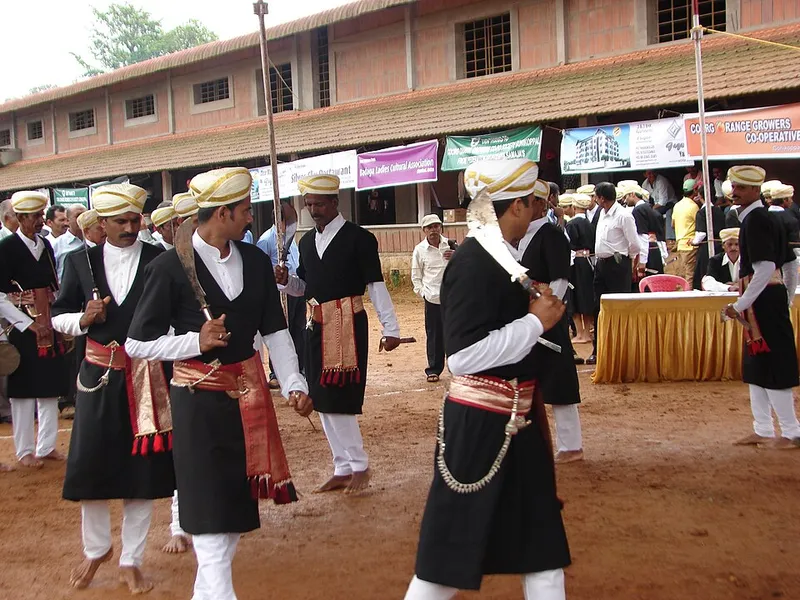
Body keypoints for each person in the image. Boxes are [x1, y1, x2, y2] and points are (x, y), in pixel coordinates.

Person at [126, 167, 311, 600]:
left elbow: (275, 330)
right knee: (208, 512)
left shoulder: (256, 261)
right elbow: (137, 343)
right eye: (246, 211)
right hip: (197, 404)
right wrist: (195, 341)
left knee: (229, 513)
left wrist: (294, 382)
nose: (252, 218)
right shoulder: (169, 268)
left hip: (247, 401)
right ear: (222, 213)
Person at [404, 158, 570, 600]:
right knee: (443, 561)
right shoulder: (476, 263)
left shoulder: (501, 258)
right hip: (480, 425)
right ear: (514, 206)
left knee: (543, 552)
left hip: (518, 421)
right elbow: (462, 357)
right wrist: (535, 323)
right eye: (533, 202)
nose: (539, 208)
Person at [51, 183, 175, 594]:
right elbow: (57, 317)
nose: (129, 227)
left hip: (147, 378)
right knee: (91, 467)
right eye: (119, 221)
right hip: (96, 379)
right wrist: (82, 320)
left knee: (141, 471)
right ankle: (97, 548)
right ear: (101, 223)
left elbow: (178, 315)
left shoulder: (161, 260)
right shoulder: (78, 262)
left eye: (134, 219)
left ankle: (131, 559)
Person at [275, 174, 401, 494]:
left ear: (335, 202)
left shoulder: (359, 238)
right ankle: (342, 465)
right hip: (315, 325)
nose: (313, 210)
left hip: (347, 325)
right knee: (319, 397)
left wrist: (391, 328)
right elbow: (304, 287)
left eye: (319, 204)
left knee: (337, 398)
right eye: (309, 204)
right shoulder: (306, 242)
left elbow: (375, 285)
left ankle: (359, 464)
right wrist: (285, 280)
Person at [722, 166, 800, 450]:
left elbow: (766, 267)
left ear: (756, 190)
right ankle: (763, 428)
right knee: (757, 362)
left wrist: (741, 303)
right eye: (734, 187)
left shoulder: (756, 220)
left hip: (761, 300)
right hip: (766, 299)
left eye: (741, 188)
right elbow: (790, 264)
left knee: (771, 362)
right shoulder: (767, 218)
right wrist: (787, 297)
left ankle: (792, 431)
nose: (735, 193)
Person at [0, 191, 70, 468]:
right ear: (19, 218)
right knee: (23, 390)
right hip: (22, 325)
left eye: (42, 215)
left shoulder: (46, 246)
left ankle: (47, 445)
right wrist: (27, 324)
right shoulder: (6, 248)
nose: (41, 221)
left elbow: (55, 285)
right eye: (35, 217)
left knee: (49, 386)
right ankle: (24, 449)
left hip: (48, 319)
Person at [519, 179, 584, 464]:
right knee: (525, 379)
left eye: (529, 201)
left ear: (542, 204)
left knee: (558, 380)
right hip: (523, 316)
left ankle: (571, 445)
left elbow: (560, 279)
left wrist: (548, 311)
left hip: (547, 315)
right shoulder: (517, 235)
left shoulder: (553, 235)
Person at [587, 182, 640, 365]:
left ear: (601, 198)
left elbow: (634, 244)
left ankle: (622, 350)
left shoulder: (624, 216)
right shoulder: (601, 213)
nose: (594, 199)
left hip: (618, 264)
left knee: (620, 306)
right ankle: (599, 349)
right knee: (598, 307)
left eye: (595, 196)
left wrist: (629, 262)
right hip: (601, 264)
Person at [256, 199, 304, 389]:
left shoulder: (291, 240)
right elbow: (261, 269)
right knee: (281, 332)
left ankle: (299, 369)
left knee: (298, 330)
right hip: (278, 293)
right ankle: (276, 372)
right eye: (288, 219)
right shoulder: (267, 240)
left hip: (295, 290)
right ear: (278, 220)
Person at [411, 214, 453, 383]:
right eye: (430, 227)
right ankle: (433, 369)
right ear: (424, 230)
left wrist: (456, 256)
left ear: (440, 227)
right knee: (434, 334)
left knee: (454, 332)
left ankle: (456, 368)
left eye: (436, 226)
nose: (433, 230)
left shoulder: (451, 245)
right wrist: (423, 293)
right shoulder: (419, 250)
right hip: (432, 298)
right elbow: (416, 275)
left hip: (451, 298)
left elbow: (462, 267)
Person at [566, 193, 595, 344]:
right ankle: (588, 331)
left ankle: (580, 333)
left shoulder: (571, 224)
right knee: (587, 295)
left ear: (574, 206)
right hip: (589, 261)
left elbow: (568, 246)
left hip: (576, 263)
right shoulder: (590, 224)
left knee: (575, 297)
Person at [619, 181, 657, 287]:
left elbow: (642, 238)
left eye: (626, 196)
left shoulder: (638, 210)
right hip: (653, 249)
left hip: (646, 252)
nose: (625, 200)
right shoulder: (647, 207)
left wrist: (642, 264)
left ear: (632, 194)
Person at [691, 186, 725, 290]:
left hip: (706, 247)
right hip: (719, 246)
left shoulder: (702, 212)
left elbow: (701, 233)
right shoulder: (719, 211)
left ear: (700, 196)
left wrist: (694, 241)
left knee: (705, 273)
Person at [672, 179, 700, 283]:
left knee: (683, 275)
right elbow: (699, 225)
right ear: (695, 190)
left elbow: (672, 224)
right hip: (690, 245)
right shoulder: (694, 206)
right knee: (690, 276)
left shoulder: (677, 205)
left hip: (680, 245)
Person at [53, 205, 87, 282]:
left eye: (85, 215)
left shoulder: (94, 240)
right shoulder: (57, 244)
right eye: (78, 216)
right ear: (67, 220)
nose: (82, 219)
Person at [642, 169, 677, 240]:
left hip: (669, 203)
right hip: (657, 204)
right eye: (649, 173)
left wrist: (651, 210)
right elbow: (644, 198)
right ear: (645, 175)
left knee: (655, 214)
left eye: (652, 173)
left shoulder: (661, 181)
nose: (651, 175)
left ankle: (662, 237)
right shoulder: (645, 184)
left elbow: (663, 202)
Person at [702, 228, 740, 292]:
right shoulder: (715, 261)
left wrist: (741, 285)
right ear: (723, 246)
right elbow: (708, 282)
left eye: (736, 244)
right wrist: (728, 288)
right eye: (729, 244)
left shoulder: (748, 260)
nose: (733, 248)